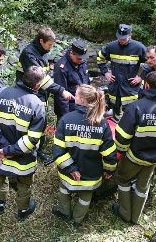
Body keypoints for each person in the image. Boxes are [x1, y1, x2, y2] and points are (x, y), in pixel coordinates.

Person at [112, 71, 156, 224]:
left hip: (134, 157)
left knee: (123, 179)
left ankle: (125, 213)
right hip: (154, 159)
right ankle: (135, 217)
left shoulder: (135, 107)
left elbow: (122, 137)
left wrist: (122, 152)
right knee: (143, 186)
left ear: (146, 85)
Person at [0, 66, 46, 221]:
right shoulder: (37, 104)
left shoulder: (0, 93)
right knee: (24, 183)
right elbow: (32, 139)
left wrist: (3, 147)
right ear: (37, 86)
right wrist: (10, 150)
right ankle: (23, 210)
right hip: (23, 156)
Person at [51, 84, 117, 226]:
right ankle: (77, 220)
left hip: (67, 174)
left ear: (81, 99)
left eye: (76, 93)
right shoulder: (102, 123)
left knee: (64, 189)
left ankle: (64, 212)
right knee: (85, 197)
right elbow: (109, 153)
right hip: (90, 175)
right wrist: (109, 170)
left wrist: (71, 169)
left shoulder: (66, 119)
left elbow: (58, 151)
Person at [16, 26, 74, 164]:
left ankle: (38, 150)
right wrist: (61, 91)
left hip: (40, 93)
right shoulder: (29, 54)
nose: (51, 48)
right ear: (41, 41)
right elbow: (40, 79)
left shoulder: (43, 51)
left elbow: (45, 74)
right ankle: (30, 151)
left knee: (41, 122)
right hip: (28, 93)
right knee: (32, 123)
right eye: (49, 45)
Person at [97, 24, 147, 122]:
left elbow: (150, 63)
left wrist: (141, 77)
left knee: (132, 111)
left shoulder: (139, 47)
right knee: (115, 106)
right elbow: (100, 58)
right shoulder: (111, 46)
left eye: (124, 38)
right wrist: (106, 72)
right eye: (119, 38)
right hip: (115, 86)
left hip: (130, 87)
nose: (121, 40)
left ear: (130, 35)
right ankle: (116, 123)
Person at [53, 40, 90, 121]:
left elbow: (86, 80)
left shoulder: (82, 61)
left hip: (83, 105)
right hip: (69, 107)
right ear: (71, 53)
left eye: (83, 58)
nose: (81, 60)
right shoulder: (61, 67)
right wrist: (66, 117)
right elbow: (61, 95)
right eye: (79, 58)